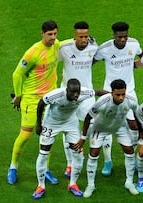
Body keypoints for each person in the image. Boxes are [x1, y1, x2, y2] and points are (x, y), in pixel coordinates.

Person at [7, 20, 60, 185]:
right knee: (25, 134)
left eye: (55, 34)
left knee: (47, 136)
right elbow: (17, 74)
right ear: (42, 33)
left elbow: (66, 44)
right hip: (31, 100)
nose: (53, 38)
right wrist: (18, 95)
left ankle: (45, 170)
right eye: (49, 34)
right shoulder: (33, 52)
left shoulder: (57, 44)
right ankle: (13, 167)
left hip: (50, 100)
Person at [32, 79, 103, 199]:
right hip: (51, 123)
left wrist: (113, 96)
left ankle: (72, 184)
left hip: (70, 123)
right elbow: (41, 103)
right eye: (73, 92)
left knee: (78, 154)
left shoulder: (84, 93)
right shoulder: (56, 95)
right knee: (43, 154)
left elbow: (98, 91)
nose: (76, 95)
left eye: (78, 92)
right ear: (67, 90)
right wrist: (38, 123)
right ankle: (41, 186)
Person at [93, 22, 143, 176]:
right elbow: (90, 62)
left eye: (125, 36)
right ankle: (108, 162)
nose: (123, 39)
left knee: (134, 125)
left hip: (130, 92)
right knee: (106, 127)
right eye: (120, 37)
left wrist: (132, 66)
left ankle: (133, 159)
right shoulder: (105, 49)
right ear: (113, 35)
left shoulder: (134, 44)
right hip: (109, 94)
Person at [76, 79, 140, 197]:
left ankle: (129, 182)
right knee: (93, 154)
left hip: (120, 127)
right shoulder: (102, 102)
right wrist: (83, 137)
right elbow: (88, 118)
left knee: (130, 151)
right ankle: (91, 185)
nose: (121, 98)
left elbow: (138, 114)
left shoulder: (131, 100)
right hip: (100, 128)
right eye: (118, 95)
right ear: (111, 93)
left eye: (123, 94)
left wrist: (141, 132)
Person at [59, 21, 100, 178]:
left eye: (86, 36)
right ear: (74, 36)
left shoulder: (93, 47)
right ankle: (70, 164)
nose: (84, 39)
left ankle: (86, 149)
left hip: (87, 94)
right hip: (67, 95)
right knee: (67, 129)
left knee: (95, 124)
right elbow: (50, 59)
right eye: (81, 37)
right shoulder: (64, 49)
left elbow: (94, 60)